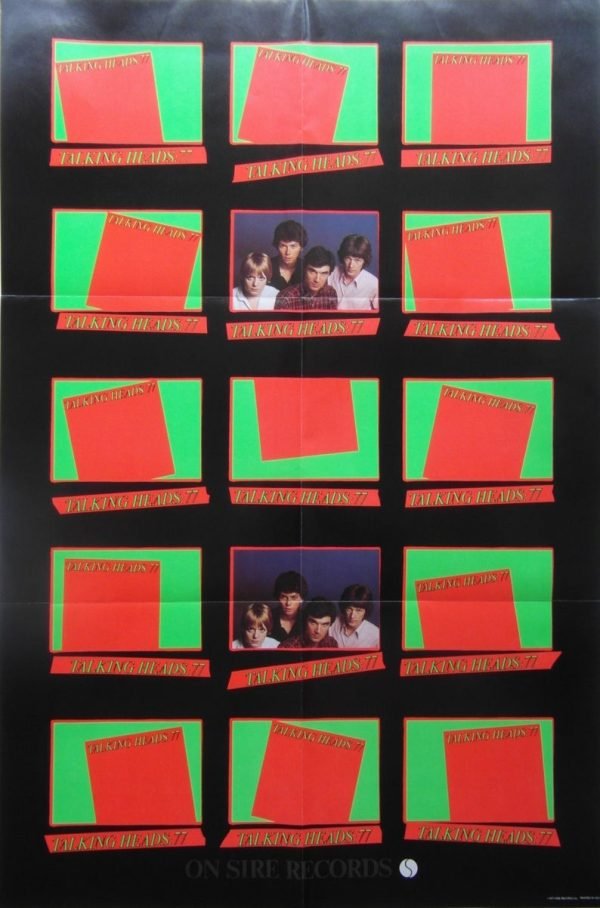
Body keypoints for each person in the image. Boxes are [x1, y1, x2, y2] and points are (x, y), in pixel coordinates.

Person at [274, 246, 338, 310]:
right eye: (312, 271)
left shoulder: (330, 293)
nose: (317, 279)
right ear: (304, 269)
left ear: (329, 274)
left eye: (323, 273)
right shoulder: (286, 298)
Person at [327, 235, 379, 310]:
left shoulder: (373, 283)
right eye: (348, 258)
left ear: (364, 261)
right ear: (342, 257)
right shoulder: (331, 272)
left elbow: (378, 312)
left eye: (357, 260)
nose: (351, 265)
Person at [270, 570, 308, 642]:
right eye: (284, 597)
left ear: (302, 599)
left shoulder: (307, 620)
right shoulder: (268, 617)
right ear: (278, 598)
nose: (288, 603)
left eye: (293, 597)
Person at [270, 219, 307, 290]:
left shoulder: (307, 269)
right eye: (283, 246)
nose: (288, 252)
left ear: (301, 247)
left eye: (293, 246)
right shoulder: (266, 266)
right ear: (277, 246)